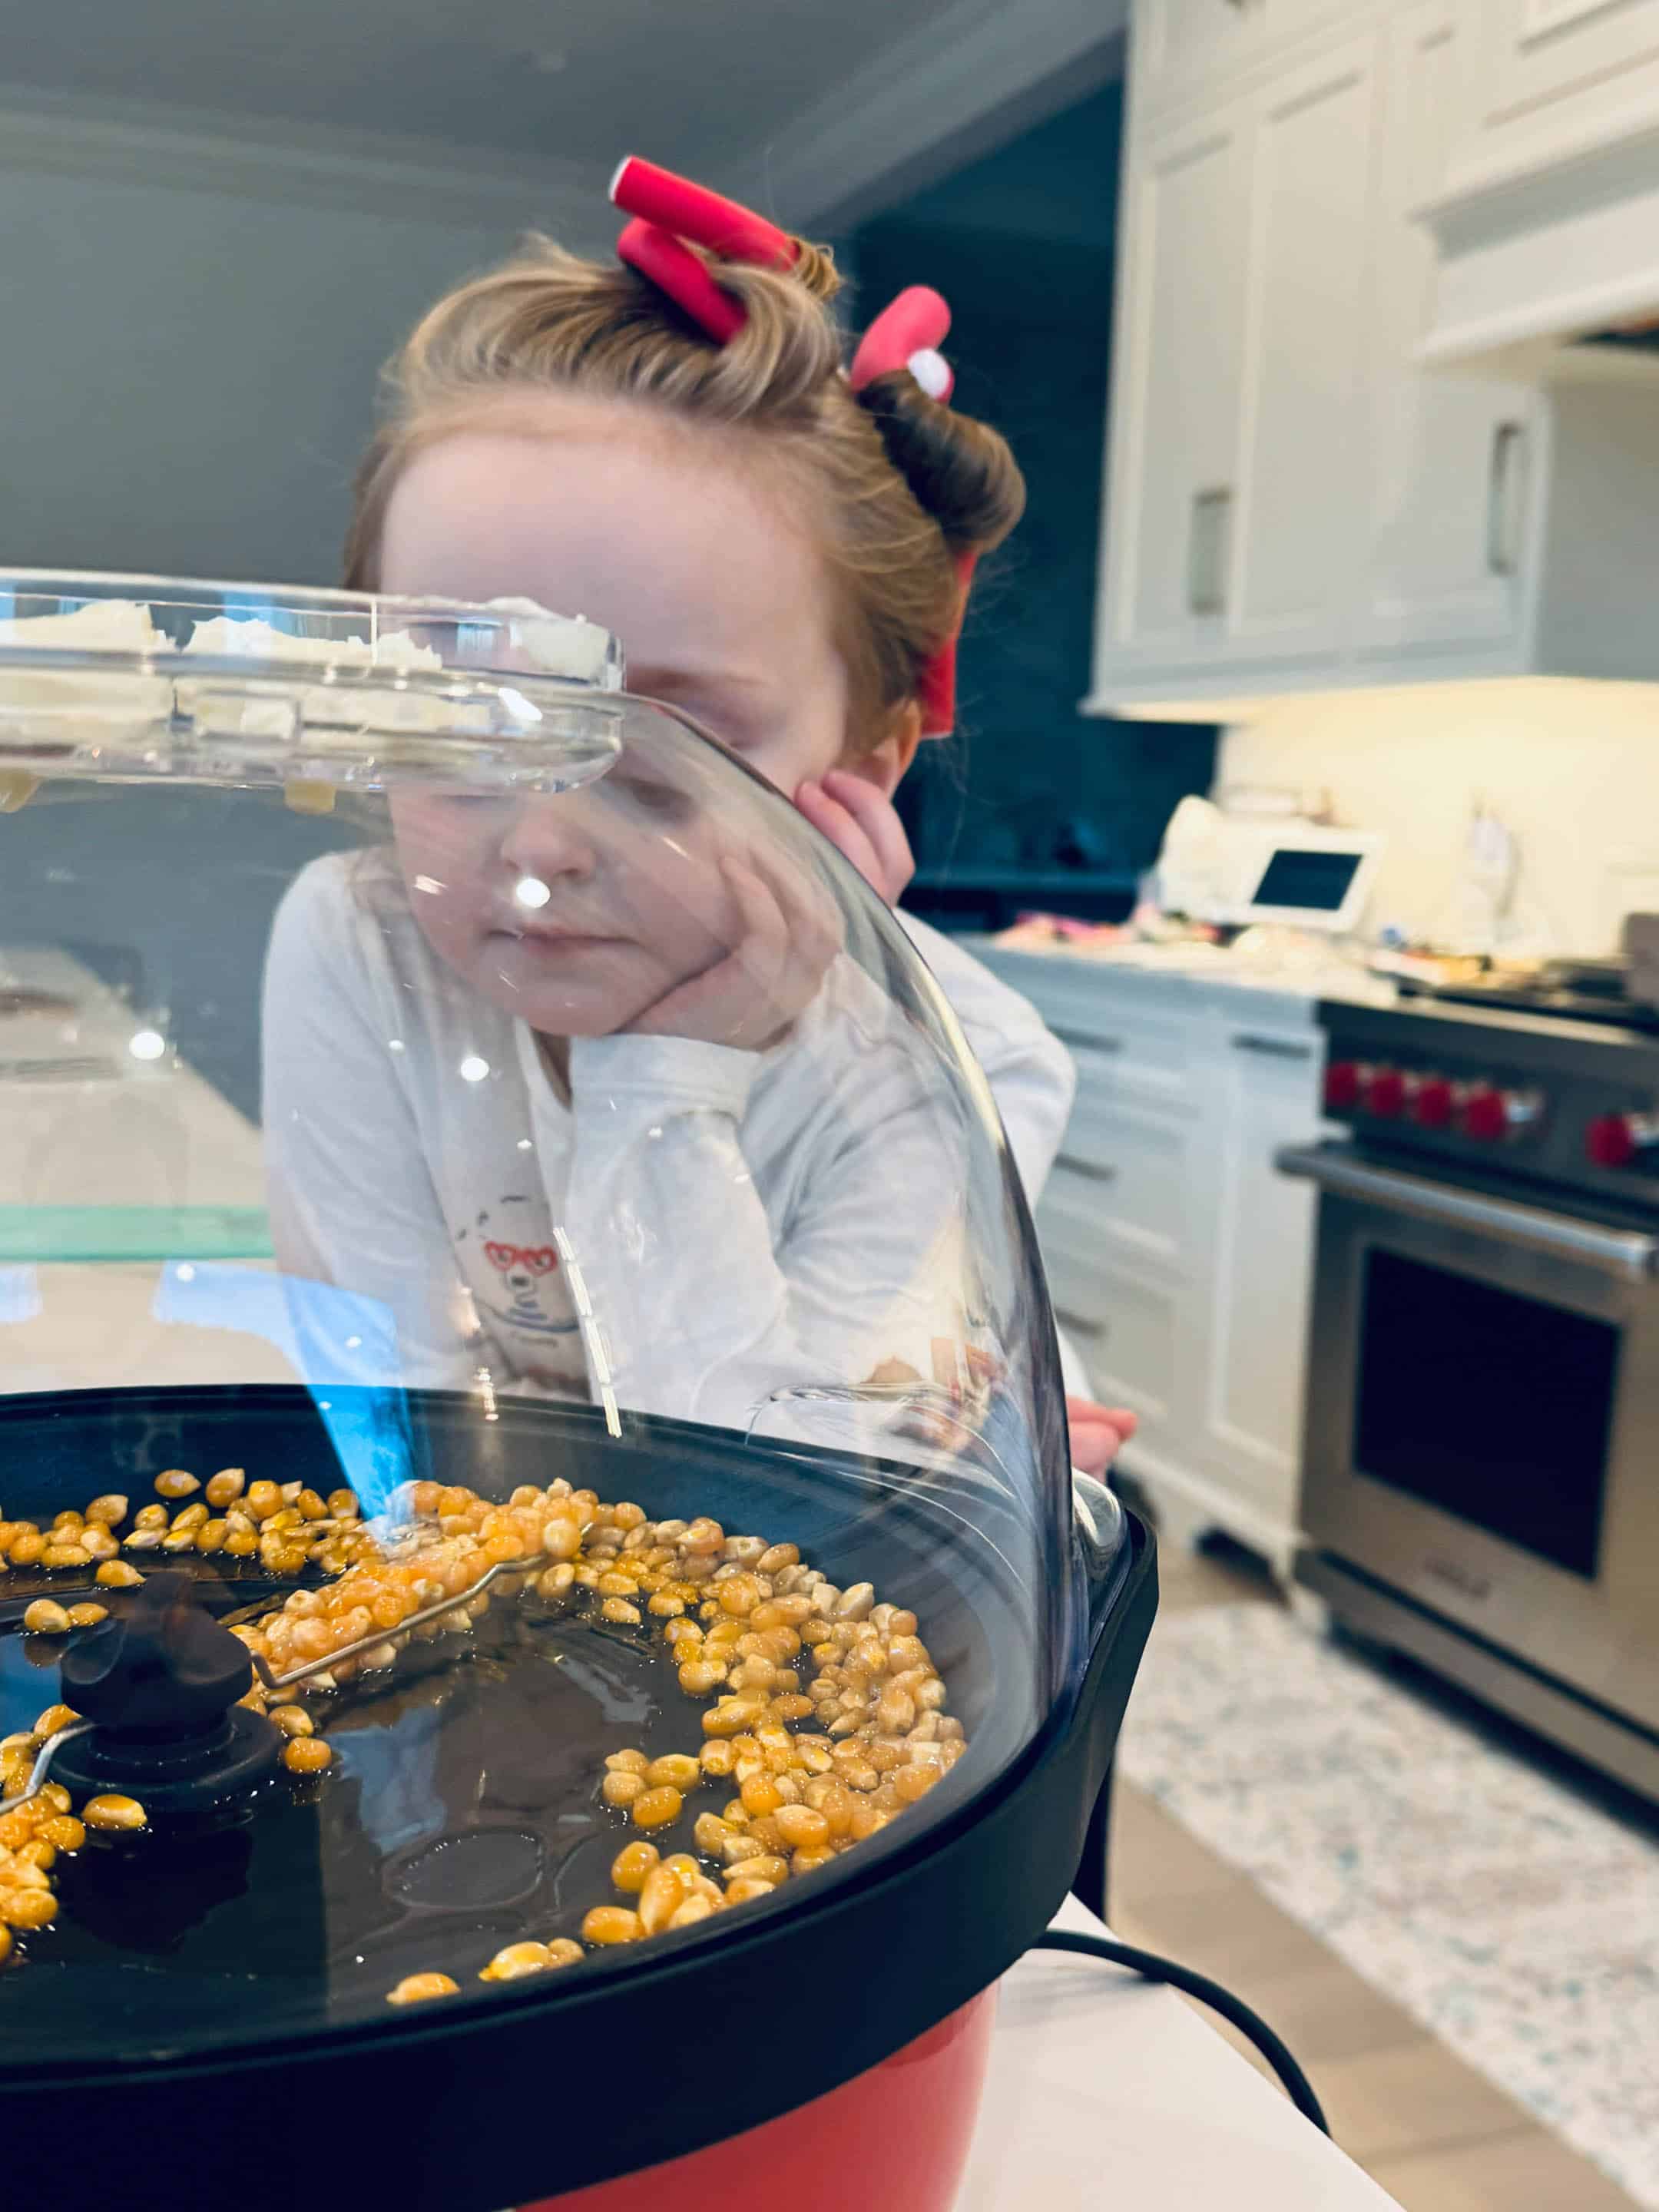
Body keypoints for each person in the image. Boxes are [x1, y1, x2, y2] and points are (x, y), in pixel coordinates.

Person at [274, 157, 1134, 1470]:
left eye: (667, 754)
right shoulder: (360, 942)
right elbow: (398, 1442)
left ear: (866, 765)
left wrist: (666, 1077)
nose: (545, 845)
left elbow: (770, 1506)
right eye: (461, 722)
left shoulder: (966, 1063)